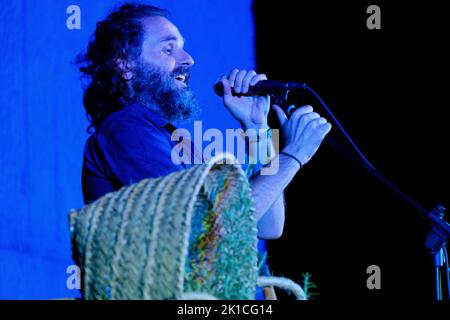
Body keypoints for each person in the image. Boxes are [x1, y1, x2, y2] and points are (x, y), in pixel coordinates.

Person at [77, 3, 331, 297]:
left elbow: (268, 225)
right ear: (125, 65)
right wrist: (292, 157)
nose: (188, 59)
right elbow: (206, 230)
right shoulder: (126, 129)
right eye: (168, 50)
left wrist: (257, 127)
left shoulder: (172, 139)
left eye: (183, 48)